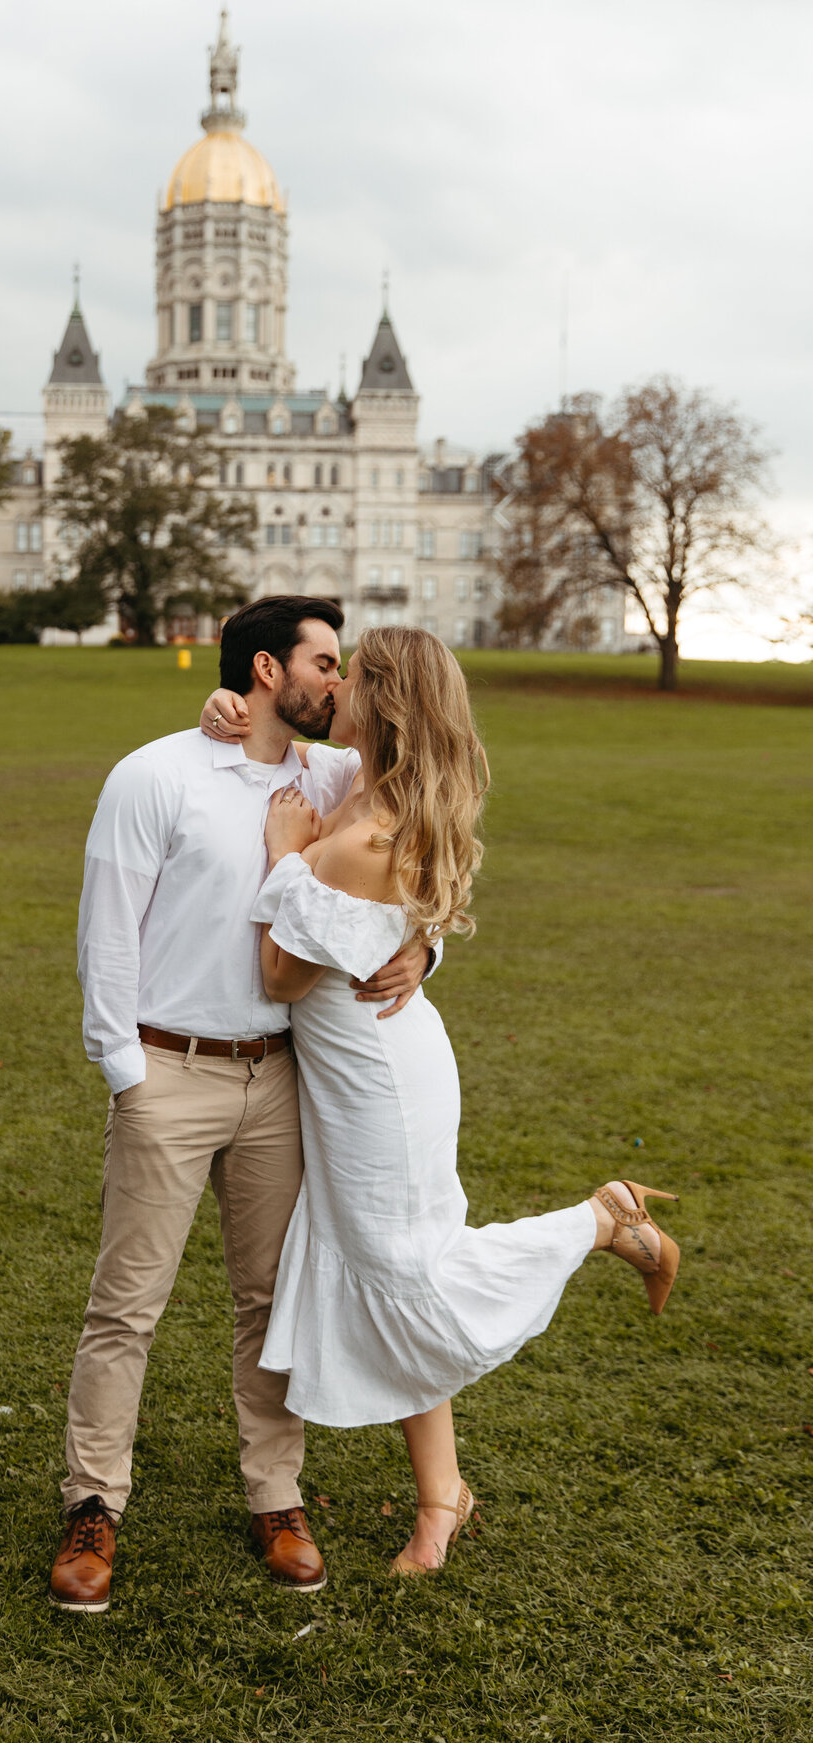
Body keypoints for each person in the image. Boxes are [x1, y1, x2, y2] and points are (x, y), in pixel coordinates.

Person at [202, 626, 680, 1576]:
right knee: (388, 1276)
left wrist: (283, 855)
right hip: (364, 1071)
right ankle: (441, 1501)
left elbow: (281, 974)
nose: (328, 684)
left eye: (346, 674)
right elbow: (295, 749)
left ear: (379, 701)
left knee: (410, 1276)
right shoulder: (367, 787)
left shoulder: (363, 835)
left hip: (380, 1083)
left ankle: (601, 1220)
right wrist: (226, 710)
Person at [50, 597, 435, 1613]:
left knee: (271, 1305)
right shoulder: (156, 775)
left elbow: (428, 840)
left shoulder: (337, 775)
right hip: (168, 1072)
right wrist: (127, 1073)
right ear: (267, 670)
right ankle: (94, 1504)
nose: (338, 681)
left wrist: (426, 947)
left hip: (284, 1078)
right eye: (322, 661)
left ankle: (276, 1496)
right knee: (126, 1306)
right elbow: (108, 935)